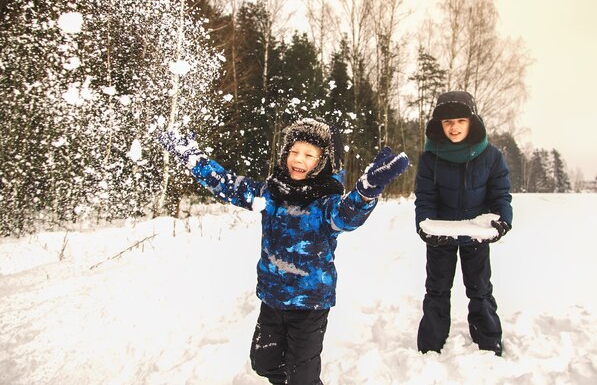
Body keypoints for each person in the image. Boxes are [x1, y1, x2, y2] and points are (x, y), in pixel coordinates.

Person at [159, 118, 409, 384]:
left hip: (310, 303)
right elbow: (228, 185)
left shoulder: (326, 202)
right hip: (272, 298)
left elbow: (347, 216)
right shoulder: (270, 193)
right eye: (294, 151)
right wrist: (193, 159)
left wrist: (366, 191)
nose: (298, 159)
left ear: (322, 162)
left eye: (309, 155)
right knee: (264, 363)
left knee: (302, 376)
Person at [413, 91, 512, 356]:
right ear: (439, 125)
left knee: (480, 290)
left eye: (460, 120)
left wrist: (502, 220)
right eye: (447, 122)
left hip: (476, 233)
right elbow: (425, 198)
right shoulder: (429, 158)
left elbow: (500, 195)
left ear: (472, 121)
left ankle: (489, 343)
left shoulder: (491, 156)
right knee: (436, 290)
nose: (454, 127)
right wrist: (424, 225)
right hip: (441, 234)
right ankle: (430, 347)